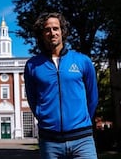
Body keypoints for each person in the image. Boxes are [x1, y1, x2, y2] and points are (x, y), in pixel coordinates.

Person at [24, 12, 99, 159]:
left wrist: (81, 122)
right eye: (47, 29)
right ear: (42, 34)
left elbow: (93, 97)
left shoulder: (82, 61)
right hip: (50, 141)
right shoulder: (33, 65)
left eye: (55, 28)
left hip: (82, 140)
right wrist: (44, 118)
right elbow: (33, 99)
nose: (52, 33)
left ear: (62, 31)